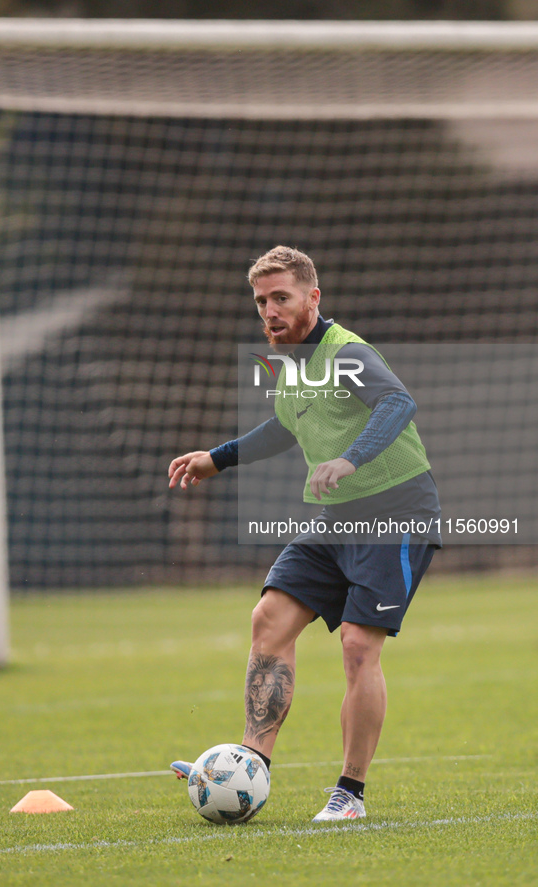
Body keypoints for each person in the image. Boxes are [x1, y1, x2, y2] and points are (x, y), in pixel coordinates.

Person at [167, 246, 441, 822]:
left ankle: (350, 795)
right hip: (338, 518)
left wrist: (350, 459)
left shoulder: (347, 352)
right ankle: (249, 765)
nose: (269, 311)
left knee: (358, 646)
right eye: (261, 301)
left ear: (313, 298)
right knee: (269, 620)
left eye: (281, 298)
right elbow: (286, 427)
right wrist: (217, 459)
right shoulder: (289, 363)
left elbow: (398, 402)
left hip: (396, 510)